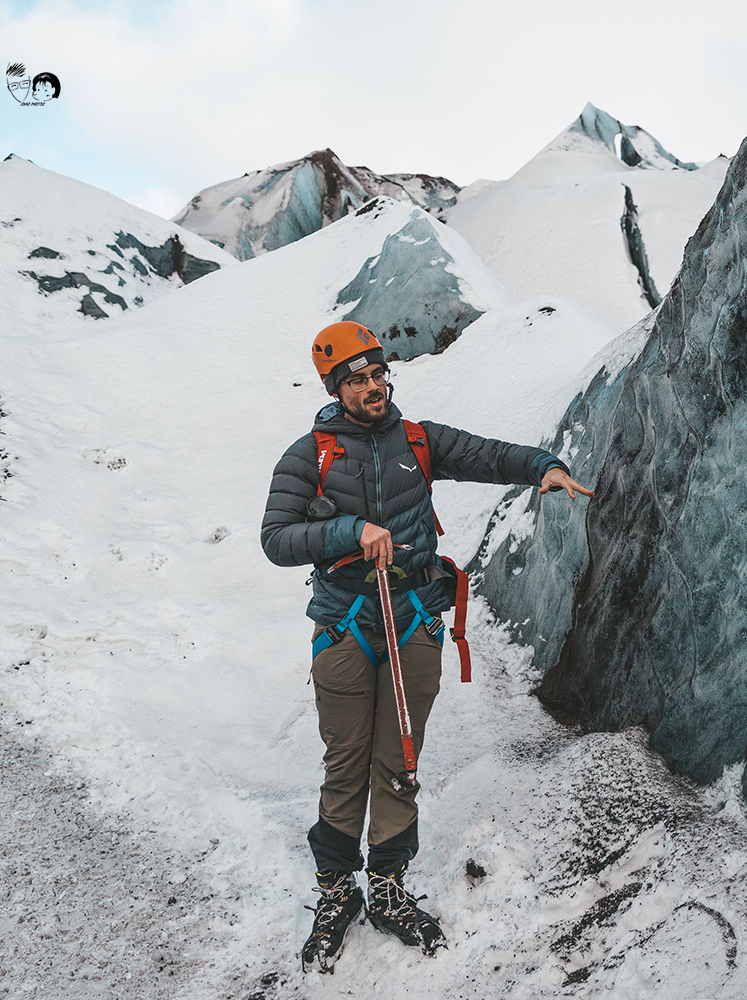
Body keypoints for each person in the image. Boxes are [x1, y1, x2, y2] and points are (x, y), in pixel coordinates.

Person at [261, 321, 592, 972]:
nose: (374, 387)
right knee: (346, 759)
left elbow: (483, 454)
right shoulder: (310, 456)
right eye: (357, 379)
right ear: (336, 386)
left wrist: (541, 466)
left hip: (413, 616)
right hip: (347, 619)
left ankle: (386, 885)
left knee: (400, 756)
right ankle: (336, 892)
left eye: (379, 373)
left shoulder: (418, 441)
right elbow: (277, 538)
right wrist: (352, 531)